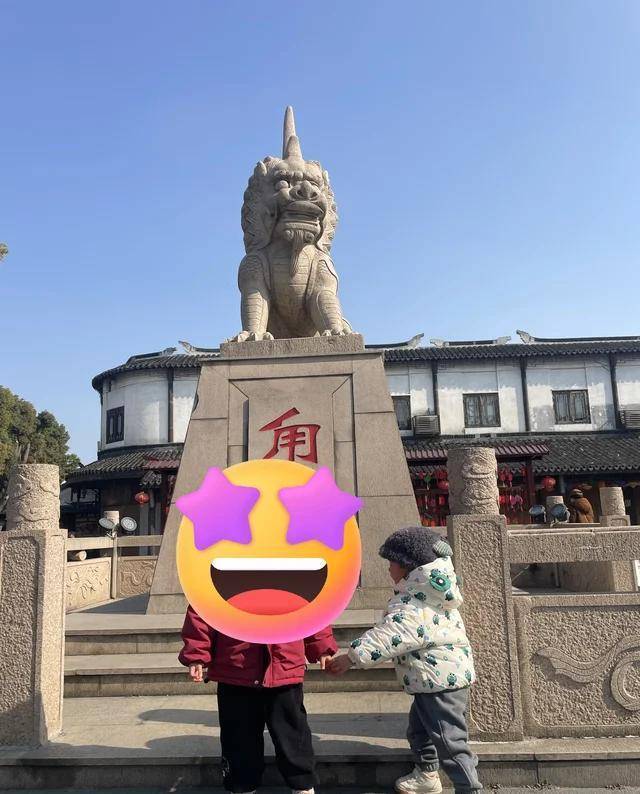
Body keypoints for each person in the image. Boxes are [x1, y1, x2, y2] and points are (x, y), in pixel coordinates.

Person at [327, 527, 481, 794]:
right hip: (433, 680)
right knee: (420, 732)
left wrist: (351, 657)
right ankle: (427, 775)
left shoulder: (414, 602)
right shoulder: (429, 592)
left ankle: (469, 788)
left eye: (392, 562)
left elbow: (389, 636)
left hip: (438, 684)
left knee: (450, 742)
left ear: (410, 566)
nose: (389, 568)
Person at [179, 604, 337, 794]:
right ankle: (242, 785)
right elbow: (203, 606)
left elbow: (313, 606)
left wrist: (321, 647)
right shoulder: (222, 583)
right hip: (235, 667)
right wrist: (197, 654)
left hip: (283, 666)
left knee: (292, 733)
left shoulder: (297, 582)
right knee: (238, 736)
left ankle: (302, 785)